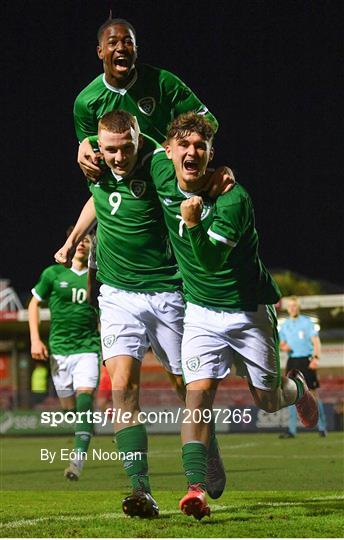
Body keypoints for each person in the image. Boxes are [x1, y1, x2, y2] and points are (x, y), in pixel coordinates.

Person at [55, 111, 228, 519]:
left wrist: (218, 180)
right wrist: (74, 239)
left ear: (139, 138)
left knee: (186, 388)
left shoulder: (156, 164)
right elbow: (98, 200)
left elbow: (191, 180)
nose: (117, 158)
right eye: (110, 149)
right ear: (100, 145)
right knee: (123, 388)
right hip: (117, 294)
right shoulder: (94, 162)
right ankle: (141, 490)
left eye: (126, 148)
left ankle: (207, 453)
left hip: (167, 292)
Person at [147, 112, 320, 520]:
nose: (192, 151)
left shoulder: (233, 198)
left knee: (267, 400)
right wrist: (86, 144)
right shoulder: (159, 169)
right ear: (168, 150)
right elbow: (136, 133)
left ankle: (297, 390)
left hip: (248, 313)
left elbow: (208, 260)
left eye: (200, 145)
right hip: (202, 314)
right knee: (198, 395)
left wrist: (190, 225)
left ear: (210, 153)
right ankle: (194, 488)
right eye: (183, 144)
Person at [74, 17, 219, 181]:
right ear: (100, 51)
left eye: (128, 42)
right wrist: (87, 153)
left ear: (136, 49)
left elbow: (208, 122)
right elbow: (92, 157)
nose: (121, 48)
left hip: (169, 176)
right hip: (126, 188)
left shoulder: (163, 82)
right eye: (113, 42)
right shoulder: (86, 101)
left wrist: (172, 146)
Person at [28, 232, 100, 480]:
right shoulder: (53, 274)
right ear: (69, 245)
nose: (82, 243)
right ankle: (86, 423)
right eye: (78, 240)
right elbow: (33, 304)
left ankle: (77, 461)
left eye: (87, 241)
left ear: (92, 247)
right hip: (59, 351)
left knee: (85, 398)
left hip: (88, 348)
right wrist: (36, 339)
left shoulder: (97, 276)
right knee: (71, 409)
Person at [279, 296, 327, 438]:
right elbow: (280, 343)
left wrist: (316, 358)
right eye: (290, 306)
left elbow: (316, 342)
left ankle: (322, 427)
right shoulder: (285, 325)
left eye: (295, 305)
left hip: (306, 361)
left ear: (298, 307)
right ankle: (291, 430)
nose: (293, 308)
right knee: (291, 397)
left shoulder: (307, 323)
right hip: (292, 362)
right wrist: (283, 346)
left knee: (312, 395)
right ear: (287, 308)